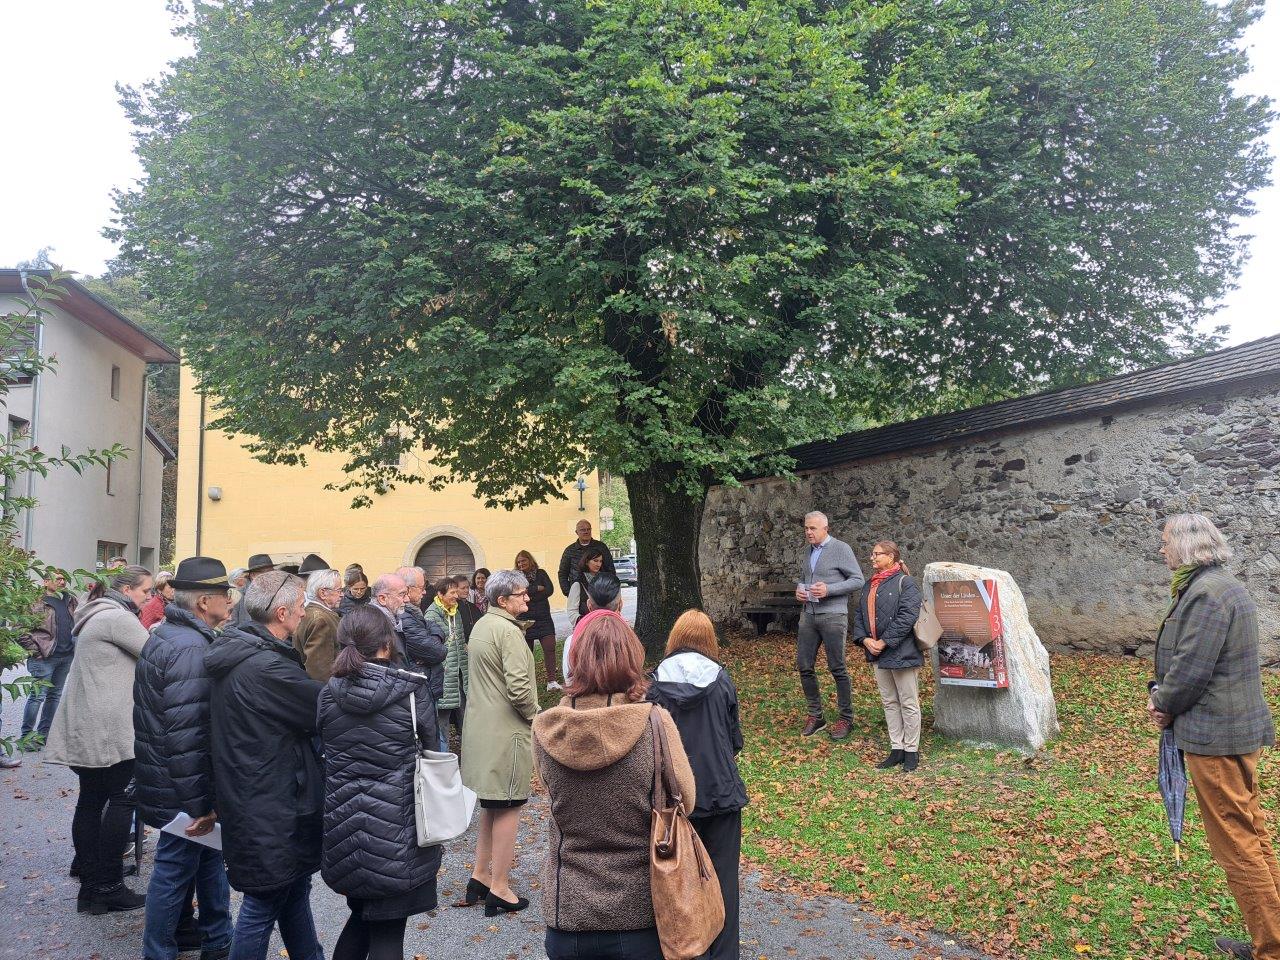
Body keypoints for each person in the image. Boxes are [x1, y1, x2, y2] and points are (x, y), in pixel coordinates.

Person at [1147, 514, 1278, 960]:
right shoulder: (1218, 586)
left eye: (1165, 542)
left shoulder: (1208, 594)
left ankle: (1272, 949)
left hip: (1217, 736)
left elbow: (1191, 670)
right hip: (1230, 732)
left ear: (1185, 546)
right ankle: (1274, 937)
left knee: (1237, 845)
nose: (1161, 550)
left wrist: (1162, 703)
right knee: (1252, 834)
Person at [534, 614, 696, 959]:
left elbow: (550, 789)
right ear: (632, 658)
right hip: (640, 912)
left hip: (568, 910)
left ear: (574, 659)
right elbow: (687, 799)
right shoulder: (654, 722)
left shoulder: (545, 729)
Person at [205, 571, 324, 960]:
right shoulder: (265, 669)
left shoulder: (252, 655)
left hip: (264, 793)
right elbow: (321, 707)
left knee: (291, 892)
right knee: (264, 900)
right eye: (303, 607)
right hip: (268, 800)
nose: (306, 614)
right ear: (283, 612)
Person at [319, 607, 442, 960]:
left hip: (344, 827)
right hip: (397, 828)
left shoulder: (327, 694)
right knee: (388, 931)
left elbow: (325, 747)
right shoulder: (410, 692)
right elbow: (433, 751)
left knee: (359, 919)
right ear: (387, 645)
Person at [133, 557, 235, 960]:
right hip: (182, 788)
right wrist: (200, 804)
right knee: (174, 870)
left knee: (207, 860)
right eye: (225, 594)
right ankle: (158, 951)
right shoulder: (191, 647)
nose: (230, 600)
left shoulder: (175, 635)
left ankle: (217, 938)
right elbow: (187, 735)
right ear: (205, 601)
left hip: (170, 778)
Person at [45, 565, 153, 915]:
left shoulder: (96, 612)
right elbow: (156, 656)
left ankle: (92, 883)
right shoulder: (117, 618)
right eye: (145, 591)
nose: (149, 598)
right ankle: (107, 886)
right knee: (123, 800)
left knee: (90, 801)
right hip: (110, 727)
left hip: (88, 724)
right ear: (125, 589)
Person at [646, 610, 745, 960]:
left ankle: (685, 951)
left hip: (672, 798)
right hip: (720, 792)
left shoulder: (655, 683)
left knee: (675, 884)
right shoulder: (721, 679)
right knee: (722, 881)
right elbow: (735, 740)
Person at [460, 569, 539, 916]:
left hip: (482, 731)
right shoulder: (507, 632)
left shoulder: (482, 625)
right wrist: (539, 717)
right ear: (503, 600)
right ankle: (500, 886)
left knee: (491, 808)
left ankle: (480, 876)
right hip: (506, 734)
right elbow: (519, 689)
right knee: (508, 806)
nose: (527, 598)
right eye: (521, 594)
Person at [854, 541, 924, 772]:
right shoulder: (868, 585)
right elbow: (859, 615)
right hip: (877, 652)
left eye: (877, 554)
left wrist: (883, 642)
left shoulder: (906, 583)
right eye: (872, 554)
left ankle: (911, 750)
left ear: (892, 556)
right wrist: (865, 640)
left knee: (908, 701)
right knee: (889, 701)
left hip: (901, 651)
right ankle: (897, 748)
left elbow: (908, 616)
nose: (872, 558)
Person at [793, 511, 864, 741]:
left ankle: (846, 718)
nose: (808, 532)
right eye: (806, 528)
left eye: (813, 528)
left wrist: (829, 590)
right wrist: (800, 590)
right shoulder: (808, 551)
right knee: (804, 666)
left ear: (826, 528)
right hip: (808, 617)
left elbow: (858, 580)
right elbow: (805, 577)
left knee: (837, 667)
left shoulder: (841, 549)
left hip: (833, 616)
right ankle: (816, 716)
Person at [17, 571, 79, 747]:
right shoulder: (35, 601)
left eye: (63, 578)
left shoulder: (70, 599)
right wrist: (35, 651)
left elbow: (79, 621)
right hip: (44, 658)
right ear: (45, 582)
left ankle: (44, 735)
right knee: (37, 697)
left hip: (66, 656)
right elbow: (20, 629)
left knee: (55, 696)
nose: (62, 581)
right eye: (57, 578)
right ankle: (27, 738)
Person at [424, 576, 465, 750]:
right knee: (442, 724)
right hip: (444, 678)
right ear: (440, 594)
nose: (456, 595)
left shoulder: (455, 611)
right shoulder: (432, 614)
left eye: (457, 591)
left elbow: (460, 642)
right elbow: (434, 648)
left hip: (459, 677)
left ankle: (467, 760)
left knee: (465, 719)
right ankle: (443, 761)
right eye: (452, 592)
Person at [560, 573, 624, 686]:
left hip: (582, 701)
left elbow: (569, 681)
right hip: (624, 702)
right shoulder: (628, 638)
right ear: (620, 604)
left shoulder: (572, 641)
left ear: (589, 605)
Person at [514, 550, 560, 691]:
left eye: (524, 560)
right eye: (519, 561)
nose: (521, 563)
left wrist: (529, 593)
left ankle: (552, 681)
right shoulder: (516, 577)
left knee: (550, 648)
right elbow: (517, 593)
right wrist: (536, 589)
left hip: (543, 618)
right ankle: (527, 682)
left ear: (530, 560)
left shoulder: (541, 573)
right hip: (525, 619)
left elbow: (549, 590)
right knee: (526, 653)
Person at [393, 568, 447, 685]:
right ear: (408, 589)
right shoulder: (403, 616)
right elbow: (438, 652)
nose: (425, 592)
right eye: (422, 588)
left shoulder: (412, 613)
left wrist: (432, 638)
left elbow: (431, 624)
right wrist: (436, 640)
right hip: (417, 686)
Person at [293, 568, 343, 682]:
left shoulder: (310, 612)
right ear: (323, 593)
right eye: (339, 590)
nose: (342, 595)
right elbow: (320, 671)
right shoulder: (321, 620)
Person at [556, 520, 616, 596]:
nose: (586, 532)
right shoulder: (570, 550)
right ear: (576, 532)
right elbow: (563, 573)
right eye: (583, 530)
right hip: (578, 595)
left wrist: (611, 589)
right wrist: (568, 592)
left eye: (588, 529)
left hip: (600, 592)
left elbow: (610, 569)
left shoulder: (601, 547)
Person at [566, 543, 610, 629]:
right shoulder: (578, 584)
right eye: (595, 560)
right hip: (586, 628)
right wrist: (585, 622)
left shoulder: (605, 581)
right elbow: (572, 612)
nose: (598, 564)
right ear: (586, 562)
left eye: (600, 561)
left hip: (606, 627)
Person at [230, 554, 274, 628]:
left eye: (272, 572)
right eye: (265, 573)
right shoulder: (237, 596)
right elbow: (229, 627)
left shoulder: (277, 593)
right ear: (253, 575)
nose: (270, 576)